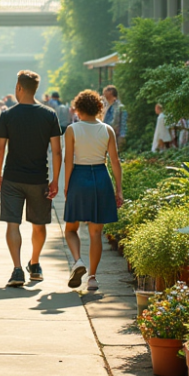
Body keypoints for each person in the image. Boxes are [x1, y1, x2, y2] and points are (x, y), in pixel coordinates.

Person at [0, 70, 63, 287]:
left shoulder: (8, 115)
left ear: (19, 88)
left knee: (13, 224)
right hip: (39, 178)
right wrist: (55, 180)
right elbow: (57, 151)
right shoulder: (49, 115)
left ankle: (16, 270)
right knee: (39, 224)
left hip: (12, 178)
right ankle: (35, 263)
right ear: (36, 89)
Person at [63, 89, 123, 292]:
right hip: (101, 177)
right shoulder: (107, 130)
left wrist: (66, 185)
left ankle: (78, 261)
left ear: (78, 109)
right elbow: (115, 161)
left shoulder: (72, 130)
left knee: (71, 228)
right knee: (96, 232)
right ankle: (93, 278)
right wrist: (119, 190)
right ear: (99, 108)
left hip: (79, 177)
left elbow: (68, 160)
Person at [101, 85, 127, 150]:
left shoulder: (120, 107)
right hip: (107, 137)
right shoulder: (106, 107)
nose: (103, 93)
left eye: (106, 91)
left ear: (111, 92)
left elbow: (122, 123)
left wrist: (122, 137)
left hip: (116, 137)